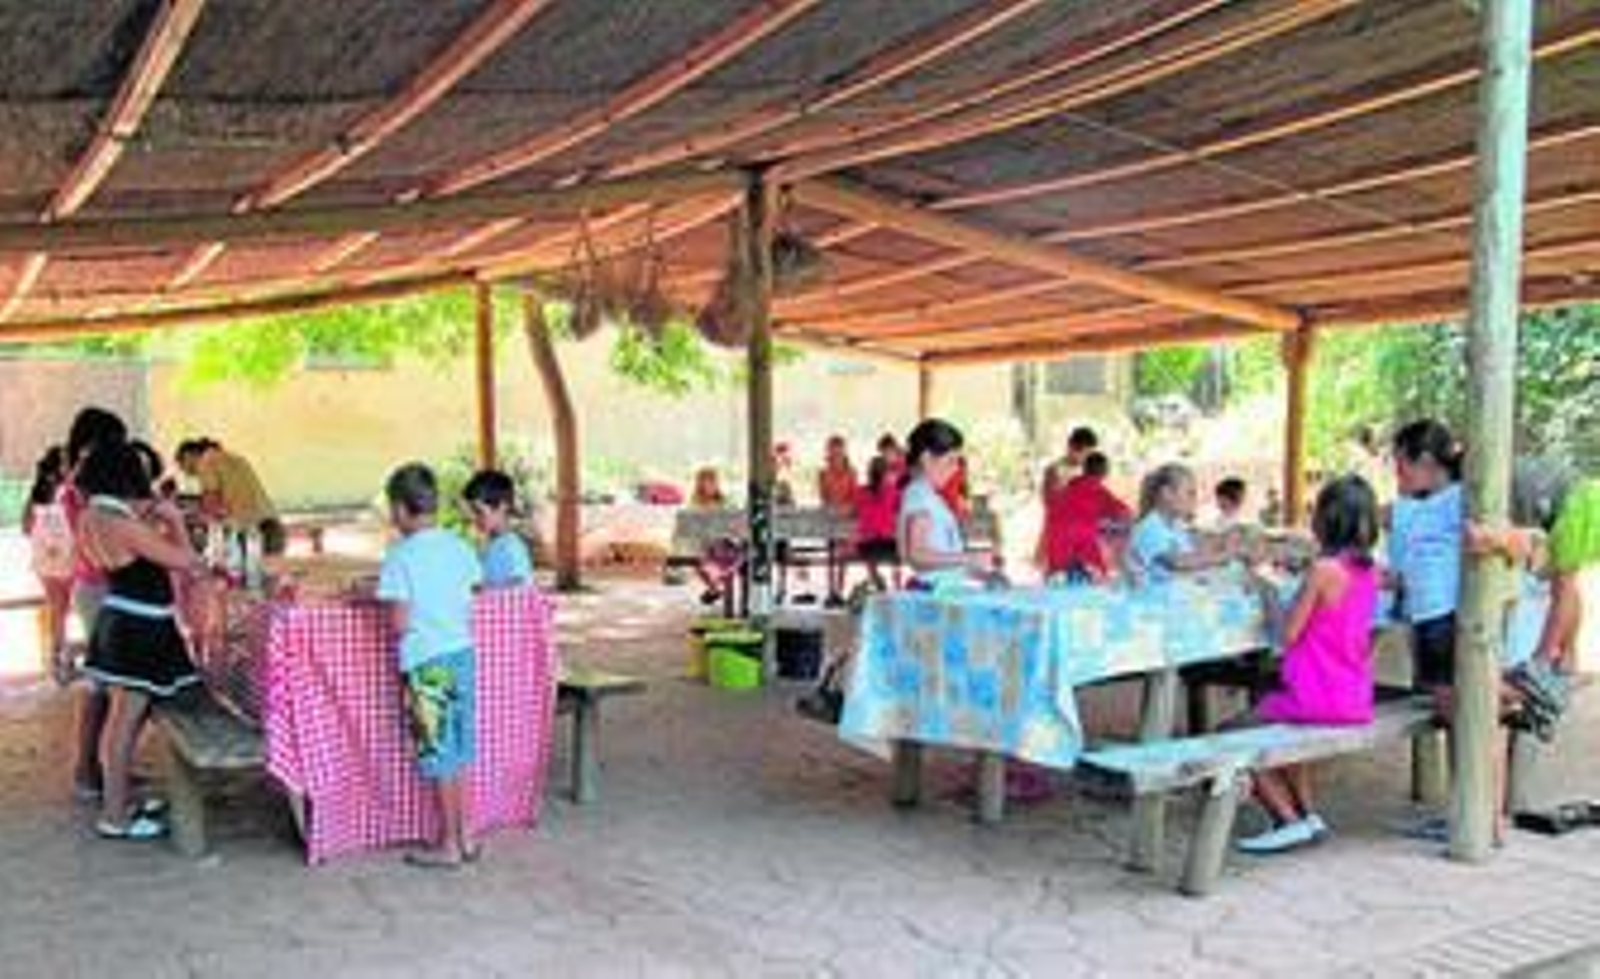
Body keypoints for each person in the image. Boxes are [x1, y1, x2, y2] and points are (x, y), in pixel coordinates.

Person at [1233, 475, 1382, 854]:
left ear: (1324, 520)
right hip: (1354, 695)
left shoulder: (1323, 571)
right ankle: (1307, 812)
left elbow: (1286, 634)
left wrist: (1264, 587)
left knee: (1232, 734)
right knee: (1278, 727)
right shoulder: (1369, 570)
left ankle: (1288, 820)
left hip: (1316, 695)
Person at [76, 441, 206, 840]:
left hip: (121, 619)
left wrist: (151, 515)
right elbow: (188, 561)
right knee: (125, 723)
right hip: (141, 628)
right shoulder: (123, 525)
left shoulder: (92, 515)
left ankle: (118, 804)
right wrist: (174, 522)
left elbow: (132, 543)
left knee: (124, 721)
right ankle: (115, 815)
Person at [377, 463, 484, 868]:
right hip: (462, 656)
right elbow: (472, 588)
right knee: (458, 752)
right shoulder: (459, 546)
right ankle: (466, 835)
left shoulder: (400, 556)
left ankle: (450, 846)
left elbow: (401, 623)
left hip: (427, 665)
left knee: (439, 757)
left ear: (402, 509)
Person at [1470, 457, 1600, 671]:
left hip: (1579, 504)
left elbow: (1517, 542)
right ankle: (1567, 655)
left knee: (1563, 585)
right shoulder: (1499, 471)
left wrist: (1540, 656)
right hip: (1582, 498)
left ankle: (1543, 660)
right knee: (1566, 582)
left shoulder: (1480, 483)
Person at [62, 406, 129, 800]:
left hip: (96, 587)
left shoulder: (81, 483)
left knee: (107, 684)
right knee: (103, 685)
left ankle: (102, 767)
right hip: (100, 589)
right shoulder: (83, 487)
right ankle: (87, 771)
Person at [1386, 420, 1465, 691]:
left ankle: (1517, 699)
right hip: (1425, 616)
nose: (1397, 473)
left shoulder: (1456, 499)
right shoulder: (1425, 505)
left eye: (1401, 464)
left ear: (1427, 461)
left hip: (1440, 616)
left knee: (1443, 695)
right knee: (1436, 695)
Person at [898, 418, 993, 590]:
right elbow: (915, 554)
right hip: (933, 591)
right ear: (926, 458)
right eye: (950, 461)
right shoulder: (919, 496)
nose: (956, 468)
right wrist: (968, 559)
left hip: (941, 588)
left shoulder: (928, 496)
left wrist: (970, 566)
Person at [1127, 463, 1238, 584]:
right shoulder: (1150, 527)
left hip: (1171, 595)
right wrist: (1223, 557)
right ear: (1167, 493)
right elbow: (1176, 562)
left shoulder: (1175, 526)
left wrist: (1225, 541)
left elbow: (1196, 546)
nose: (1195, 499)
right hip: (1153, 599)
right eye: (1190, 493)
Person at [175, 438, 285, 556]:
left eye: (181, 464)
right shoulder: (237, 459)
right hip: (273, 527)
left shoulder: (205, 462)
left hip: (251, 533)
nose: (184, 472)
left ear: (189, 455)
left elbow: (211, 504)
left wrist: (186, 516)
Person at [1040, 451, 1132, 582]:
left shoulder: (1066, 490)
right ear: (1104, 471)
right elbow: (1126, 514)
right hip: (1082, 550)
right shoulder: (1098, 490)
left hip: (1056, 552)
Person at [24, 446, 74, 678]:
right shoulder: (60, 491)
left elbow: (27, 526)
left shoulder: (41, 493)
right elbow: (26, 526)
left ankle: (60, 656)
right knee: (59, 609)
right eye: (65, 461)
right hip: (55, 558)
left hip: (57, 556)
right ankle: (60, 657)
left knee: (60, 609)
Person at [463, 469, 533, 589]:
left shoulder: (513, 547)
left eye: (479, 512)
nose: (475, 518)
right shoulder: (492, 544)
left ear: (502, 506)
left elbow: (519, 587)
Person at [688, 466, 741, 606]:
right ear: (699, 484)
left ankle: (715, 588)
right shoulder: (695, 504)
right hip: (706, 544)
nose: (709, 485)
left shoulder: (725, 501)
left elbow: (734, 521)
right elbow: (692, 526)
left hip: (726, 544)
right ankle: (715, 588)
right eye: (705, 482)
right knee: (700, 562)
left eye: (712, 482)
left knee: (718, 558)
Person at [817, 435, 859, 604]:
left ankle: (840, 589)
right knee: (831, 554)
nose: (835, 452)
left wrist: (846, 511)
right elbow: (823, 496)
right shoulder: (823, 472)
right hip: (830, 517)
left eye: (839, 448)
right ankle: (831, 589)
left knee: (843, 557)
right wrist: (830, 510)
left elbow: (854, 495)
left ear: (843, 451)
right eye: (832, 448)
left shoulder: (852, 472)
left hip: (846, 517)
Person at [853, 455, 902, 591]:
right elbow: (900, 507)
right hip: (887, 542)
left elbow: (856, 511)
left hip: (867, 544)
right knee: (897, 550)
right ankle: (897, 586)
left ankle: (876, 579)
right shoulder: (891, 491)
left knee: (867, 550)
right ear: (885, 473)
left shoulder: (861, 491)